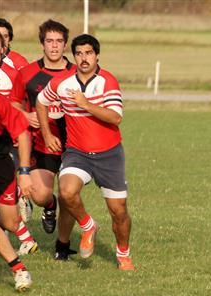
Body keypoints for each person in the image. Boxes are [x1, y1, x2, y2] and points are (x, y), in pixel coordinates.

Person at [36, 34, 134, 271]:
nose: (84, 58)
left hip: (109, 154)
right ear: (74, 56)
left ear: (97, 55)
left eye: (88, 53)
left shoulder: (107, 81)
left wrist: (86, 104)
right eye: (79, 53)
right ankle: (88, 226)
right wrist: (48, 135)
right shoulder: (62, 82)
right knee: (66, 192)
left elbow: (116, 117)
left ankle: (123, 254)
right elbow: (41, 102)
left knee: (118, 211)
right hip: (77, 152)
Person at [11, 20, 77, 259]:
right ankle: (50, 207)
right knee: (40, 195)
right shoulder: (27, 73)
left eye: (59, 41)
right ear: (42, 44)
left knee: (70, 195)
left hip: (74, 146)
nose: (54, 46)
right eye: (49, 41)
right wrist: (26, 115)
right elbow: (13, 104)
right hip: (41, 144)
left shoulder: (75, 73)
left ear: (65, 44)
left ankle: (62, 248)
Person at [0, 29, 38, 255]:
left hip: (7, 141)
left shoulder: (15, 70)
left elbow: (23, 102)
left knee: (8, 206)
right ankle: (25, 239)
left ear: (4, 47)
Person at [0, 92, 33, 291]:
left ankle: (16, 194)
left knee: (11, 223)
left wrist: (25, 171)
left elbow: (22, 133)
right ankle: (19, 269)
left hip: (0, 165)